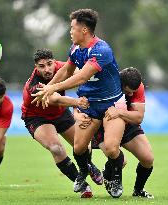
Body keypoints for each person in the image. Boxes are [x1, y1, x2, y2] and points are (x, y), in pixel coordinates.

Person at [32, 9, 126, 198]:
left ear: (84, 30)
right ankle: (83, 173)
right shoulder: (75, 49)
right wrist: (48, 88)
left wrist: (52, 89)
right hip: (88, 105)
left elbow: (82, 77)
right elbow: (67, 70)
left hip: (112, 104)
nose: (70, 31)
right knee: (79, 148)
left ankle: (114, 176)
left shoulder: (101, 50)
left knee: (111, 148)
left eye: (72, 28)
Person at [21, 48, 103, 198]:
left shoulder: (61, 67)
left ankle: (88, 166)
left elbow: (82, 74)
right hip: (36, 117)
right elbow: (55, 99)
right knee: (56, 148)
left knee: (84, 144)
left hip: (60, 113)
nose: (47, 69)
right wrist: (77, 102)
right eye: (41, 66)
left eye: (49, 64)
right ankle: (83, 185)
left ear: (54, 62)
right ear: (36, 67)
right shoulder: (33, 85)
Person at [81, 67, 154, 198]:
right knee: (121, 161)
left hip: (127, 121)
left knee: (148, 159)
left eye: (133, 92)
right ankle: (111, 175)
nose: (130, 95)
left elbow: (138, 117)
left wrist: (119, 112)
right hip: (102, 126)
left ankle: (138, 191)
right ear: (120, 83)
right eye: (128, 91)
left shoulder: (138, 86)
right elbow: (83, 99)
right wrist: (79, 114)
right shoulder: (104, 83)